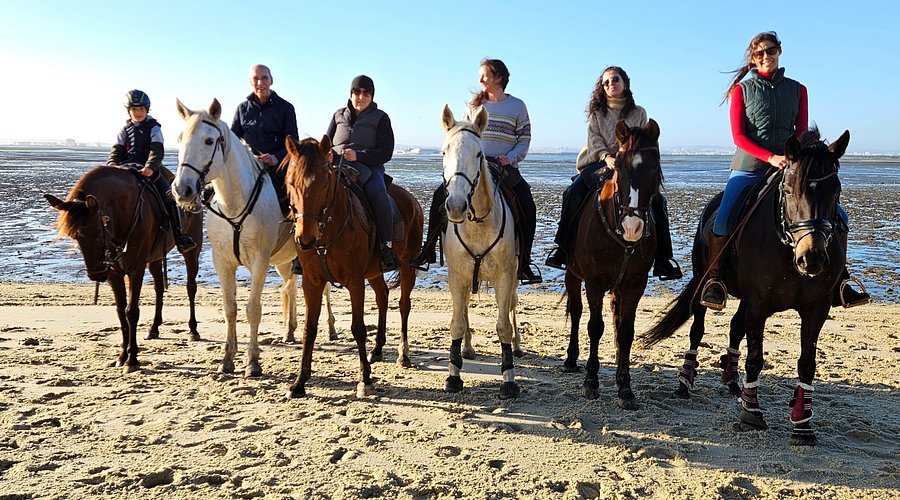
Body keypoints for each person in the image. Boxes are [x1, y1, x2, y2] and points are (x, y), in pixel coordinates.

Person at [700, 31, 869, 309]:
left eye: (771, 51)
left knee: (839, 215)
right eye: (760, 53)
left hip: (792, 168)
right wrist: (770, 157)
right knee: (724, 217)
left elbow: (801, 133)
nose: (766, 56)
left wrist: (796, 160)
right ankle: (715, 280)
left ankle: (841, 280)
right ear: (753, 58)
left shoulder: (798, 89)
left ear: (779, 52)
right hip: (749, 167)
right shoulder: (742, 90)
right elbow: (739, 137)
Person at [411, 59, 541, 284]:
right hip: (475, 165)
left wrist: (509, 158)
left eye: (485, 75)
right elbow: (464, 137)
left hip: (505, 166)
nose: (480, 80)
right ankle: (429, 249)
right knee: (438, 196)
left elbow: (524, 139)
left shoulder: (517, 106)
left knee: (527, 203)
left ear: (498, 77)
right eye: (480, 76)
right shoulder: (473, 106)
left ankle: (526, 261)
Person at [544, 66, 682, 280]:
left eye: (615, 80)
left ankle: (664, 259)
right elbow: (594, 140)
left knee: (658, 202)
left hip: (628, 166)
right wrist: (606, 157)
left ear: (625, 82)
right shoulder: (597, 114)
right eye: (606, 82)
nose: (611, 84)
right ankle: (562, 248)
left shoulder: (639, 113)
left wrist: (624, 160)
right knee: (572, 192)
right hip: (598, 161)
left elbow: (643, 141)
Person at [231, 64, 301, 273]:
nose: (260, 83)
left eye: (264, 78)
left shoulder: (286, 108)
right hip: (250, 166)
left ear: (271, 80)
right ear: (250, 82)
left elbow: (293, 143)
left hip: (278, 167)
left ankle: (299, 251)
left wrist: (276, 157)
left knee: (296, 200)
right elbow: (233, 140)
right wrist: (249, 157)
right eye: (256, 79)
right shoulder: (243, 108)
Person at [107, 89, 196, 254]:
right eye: (134, 109)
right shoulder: (123, 130)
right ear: (129, 111)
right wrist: (112, 162)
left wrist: (150, 167)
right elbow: (116, 151)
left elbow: (157, 151)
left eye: (141, 109)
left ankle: (179, 235)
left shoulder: (154, 128)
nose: (138, 112)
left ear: (147, 110)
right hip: (125, 168)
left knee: (169, 196)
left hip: (148, 169)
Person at [326, 75, 399, 272]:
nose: (361, 96)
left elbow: (386, 151)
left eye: (366, 93)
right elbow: (326, 141)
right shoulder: (338, 115)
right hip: (336, 166)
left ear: (372, 96)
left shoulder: (381, 118)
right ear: (350, 94)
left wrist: (358, 155)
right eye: (357, 92)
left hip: (369, 168)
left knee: (378, 193)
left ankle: (386, 247)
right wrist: (327, 153)